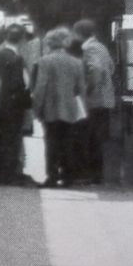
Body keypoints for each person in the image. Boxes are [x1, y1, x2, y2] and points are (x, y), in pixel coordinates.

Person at [29, 27, 86, 188]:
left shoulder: (44, 61)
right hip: (70, 108)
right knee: (68, 142)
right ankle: (68, 177)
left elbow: (40, 87)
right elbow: (80, 88)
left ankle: (52, 177)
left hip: (50, 108)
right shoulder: (76, 62)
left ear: (50, 43)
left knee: (51, 142)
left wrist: (37, 109)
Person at [0, 24, 32, 184]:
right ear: (22, 39)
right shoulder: (18, 59)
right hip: (13, 107)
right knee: (11, 141)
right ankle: (7, 175)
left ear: (6, 37)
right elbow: (27, 83)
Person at [72, 19, 116, 185]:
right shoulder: (102, 47)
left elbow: (96, 70)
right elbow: (111, 67)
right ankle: (96, 174)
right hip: (104, 100)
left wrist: (87, 90)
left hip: (94, 101)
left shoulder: (89, 48)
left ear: (79, 34)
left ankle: (89, 175)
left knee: (88, 138)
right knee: (96, 139)